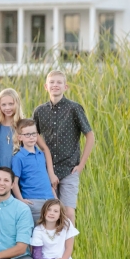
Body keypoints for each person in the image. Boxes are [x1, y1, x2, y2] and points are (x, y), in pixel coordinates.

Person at [32, 70, 95, 225]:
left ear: (65, 87)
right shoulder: (39, 111)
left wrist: (81, 165)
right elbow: (32, 136)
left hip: (69, 169)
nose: (55, 85)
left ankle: (68, 248)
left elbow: (90, 136)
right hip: (47, 171)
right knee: (47, 212)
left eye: (59, 82)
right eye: (52, 82)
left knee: (67, 212)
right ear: (46, 86)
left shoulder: (74, 108)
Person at [12, 118, 57, 221]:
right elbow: (14, 182)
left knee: (51, 233)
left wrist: (55, 197)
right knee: (35, 233)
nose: (31, 137)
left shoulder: (41, 154)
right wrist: (20, 200)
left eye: (34, 134)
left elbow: (45, 178)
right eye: (27, 135)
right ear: (20, 137)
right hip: (33, 202)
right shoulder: (18, 157)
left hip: (50, 200)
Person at [0, 88, 24, 172]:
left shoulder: (23, 126)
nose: (7, 107)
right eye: (4, 105)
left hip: (20, 173)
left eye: (11, 104)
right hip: (1, 173)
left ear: (17, 104)